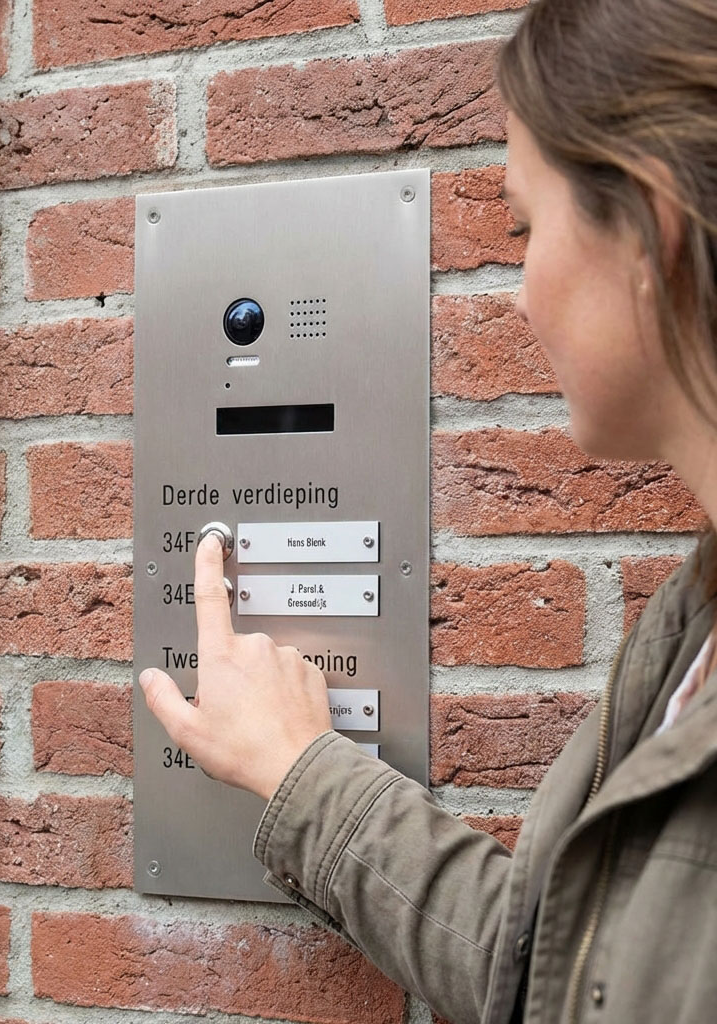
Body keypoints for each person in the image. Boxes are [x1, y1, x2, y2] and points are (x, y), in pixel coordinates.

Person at [138, 1, 717, 1021]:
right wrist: (300, 774)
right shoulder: (691, 624)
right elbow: (551, 973)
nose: (519, 294)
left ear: (649, 226)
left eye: (527, 228)